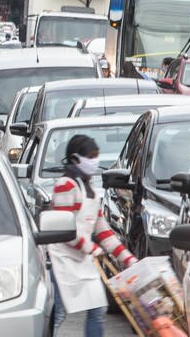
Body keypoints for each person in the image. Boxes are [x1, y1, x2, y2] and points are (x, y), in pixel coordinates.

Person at [50, 135, 137, 337]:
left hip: (83, 259)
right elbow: (66, 229)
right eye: (90, 156)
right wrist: (92, 248)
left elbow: (103, 231)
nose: (95, 161)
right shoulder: (65, 185)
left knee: (98, 310)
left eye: (96, 156)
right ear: (75, 159)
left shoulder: (90, 189)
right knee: (58, 313)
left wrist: (127, 259)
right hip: (62, 261)